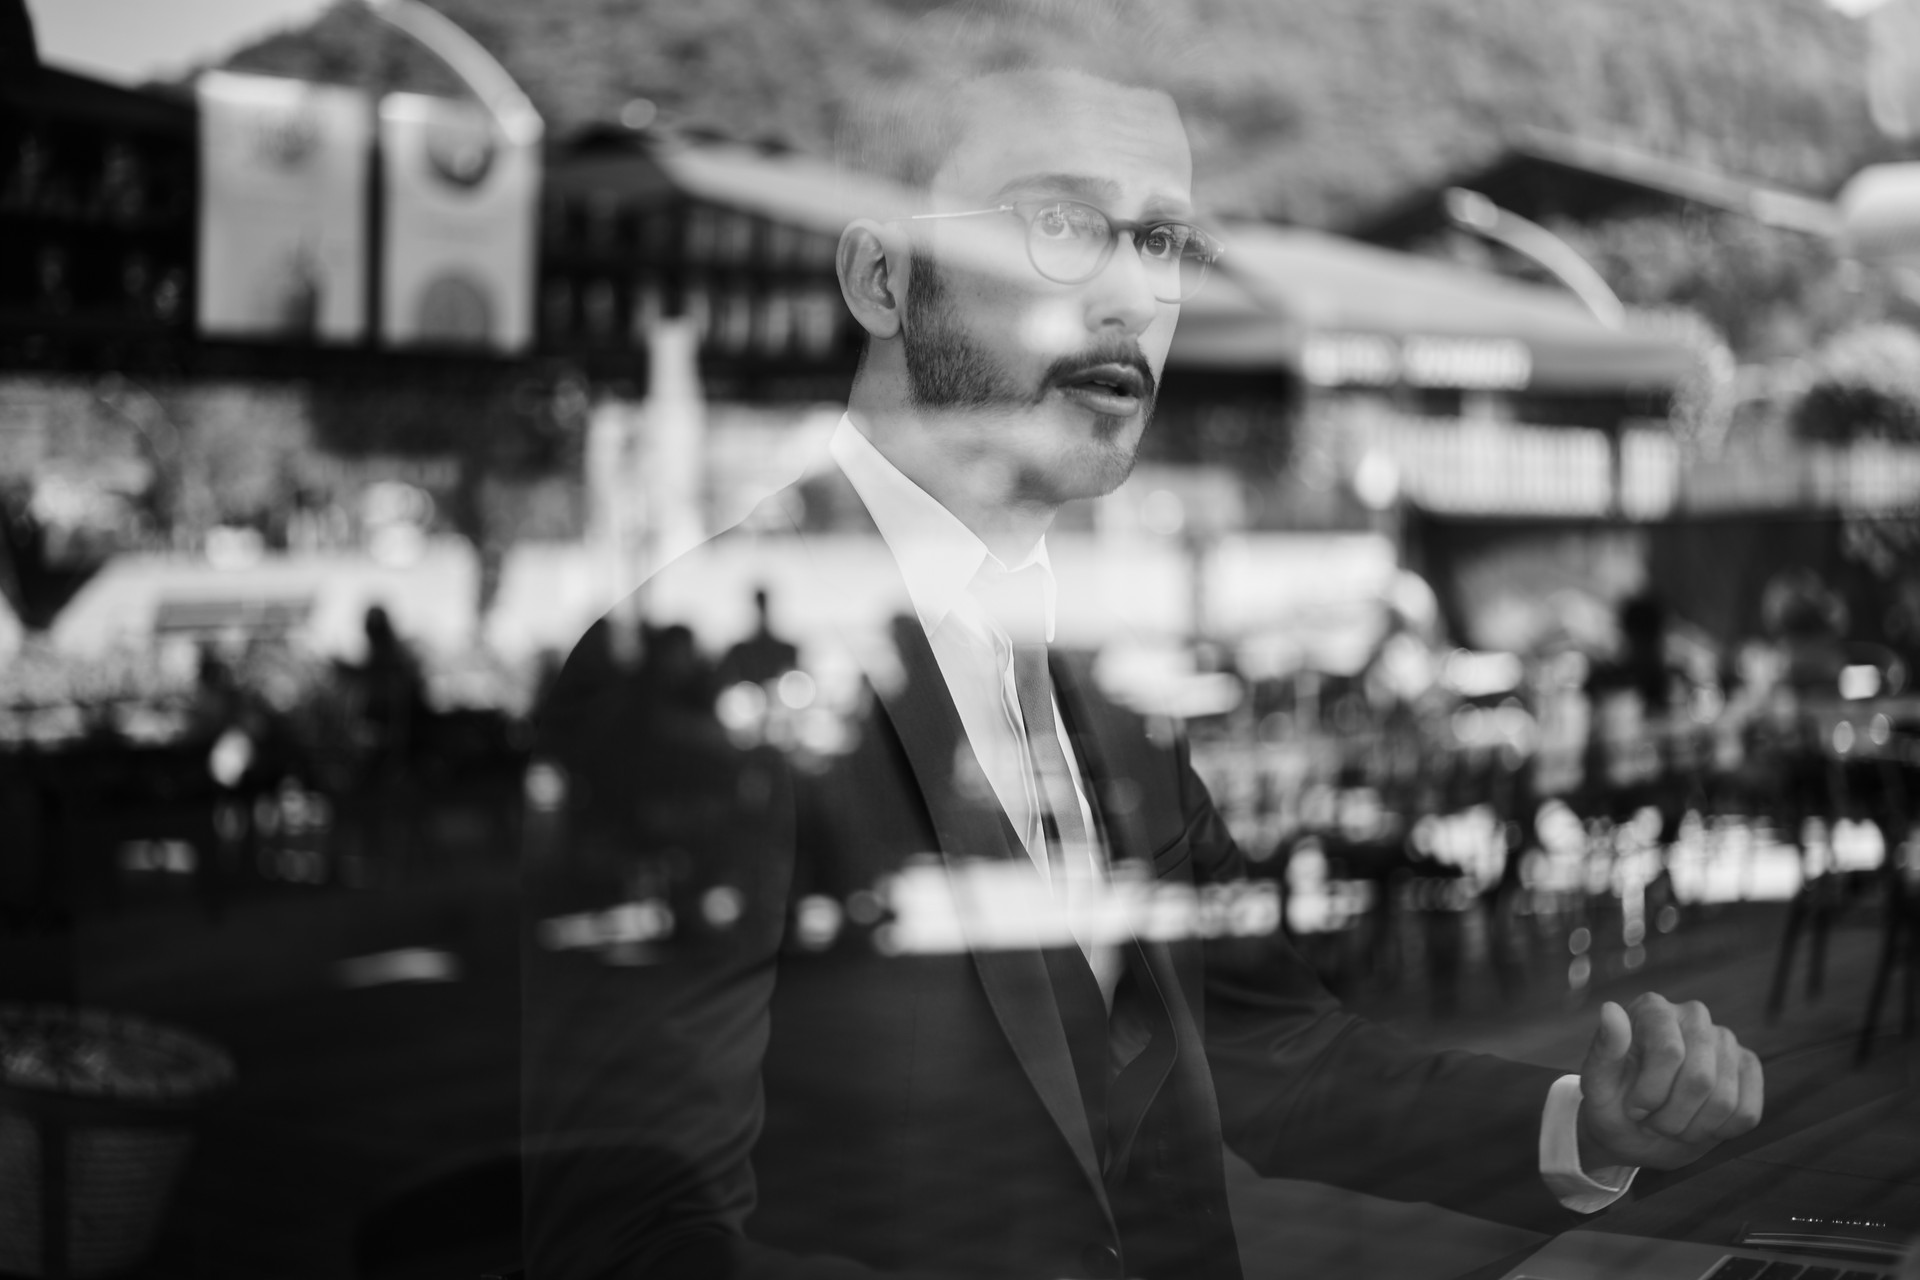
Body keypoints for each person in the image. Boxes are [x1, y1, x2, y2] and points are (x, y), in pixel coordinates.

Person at [523, 6, 1762, 1276]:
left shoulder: (1098, 680)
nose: (1129, 287)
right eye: (1059, 222)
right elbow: (631, 1237)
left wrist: (1582, 1124)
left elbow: (1272, 1052)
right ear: (880, 276)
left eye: (1162, 237)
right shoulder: (691, 666)